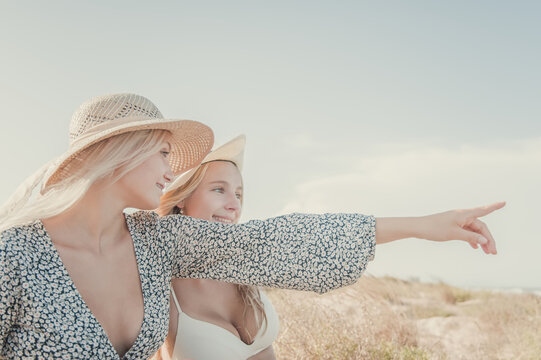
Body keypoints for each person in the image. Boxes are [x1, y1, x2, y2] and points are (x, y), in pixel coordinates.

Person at [0, 93, 504, 360]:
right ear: (117, 152)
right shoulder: (14, 256)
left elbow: (272, 244)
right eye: (162, 153)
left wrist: (424, 225)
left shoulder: (156, 243)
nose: (172, 171)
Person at [155, 135, 279, 360]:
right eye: (219, 190)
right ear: (182, 197)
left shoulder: (245, 269)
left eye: (238, 194)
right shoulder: (157, 281)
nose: (234, 206)